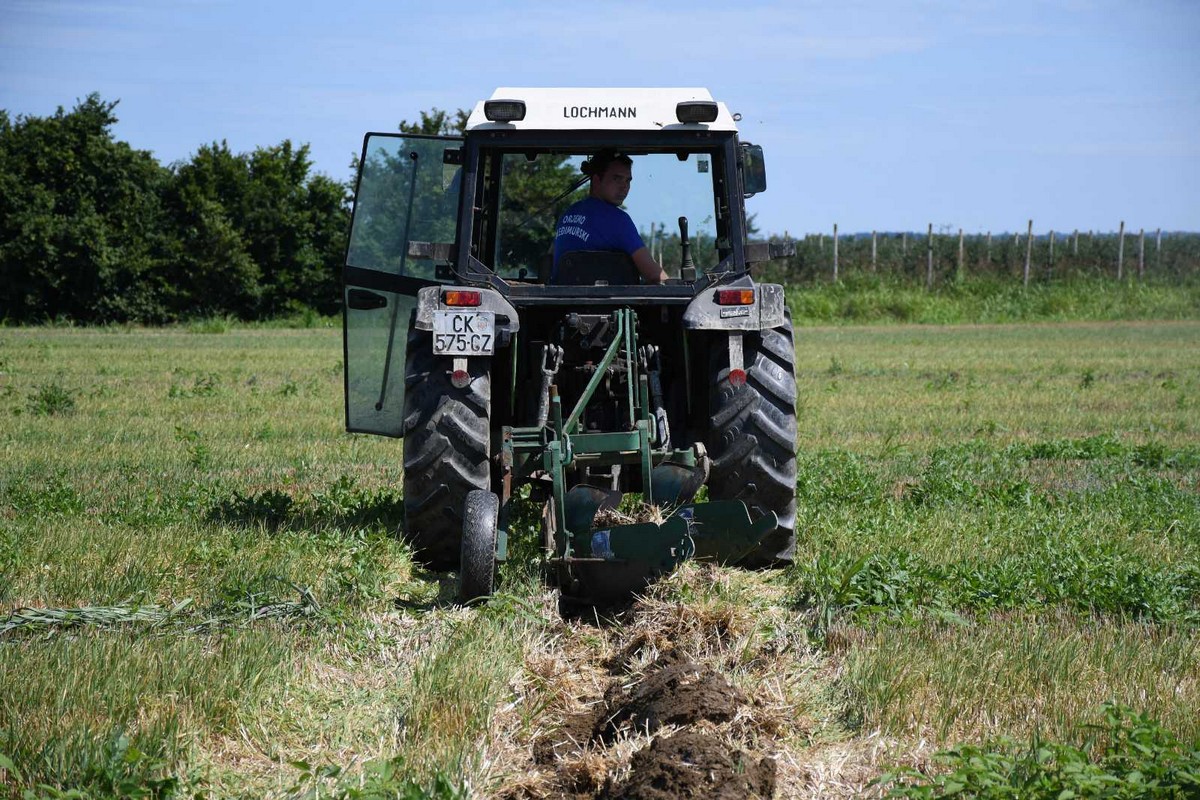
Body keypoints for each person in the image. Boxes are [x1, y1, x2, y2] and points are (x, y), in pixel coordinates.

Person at [552, 150, 668, 284]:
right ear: (596, 180)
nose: (624, 187)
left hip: (561, 303)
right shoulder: (618, 220)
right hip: (607, 304)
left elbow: (551, 260)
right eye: (617, 178)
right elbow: (655, 276)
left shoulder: (567, 215)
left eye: (628, 180)